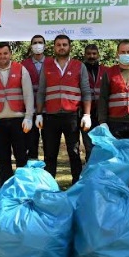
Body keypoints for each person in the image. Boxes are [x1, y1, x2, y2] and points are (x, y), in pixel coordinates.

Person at [35, 34, 91, 184]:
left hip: (72, 116)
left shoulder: (79, 66)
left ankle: (76, 185)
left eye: (64, 44)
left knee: (74, 153)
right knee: (50, 154)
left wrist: (87, 114)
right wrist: (39, 113)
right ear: (54, 47)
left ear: (69, 47)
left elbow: (86, 91)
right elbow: (41, 91)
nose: (61, 47)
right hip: (50, 117)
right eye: (58, 44)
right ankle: (49, 186)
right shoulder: (46, 66)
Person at [0, 42, 34, 185]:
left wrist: (29, 117)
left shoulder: (21, 69)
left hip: (19, 121)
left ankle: (23, 188)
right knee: (3, 159)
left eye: (5, 53)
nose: (2, 56)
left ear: (10, 54)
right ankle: (6, 189)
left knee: (22, 157)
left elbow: (28, 95)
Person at [21, 35, 49, 160]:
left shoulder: (52, 63)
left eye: (40, 42)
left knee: (49, 146)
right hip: (30, 111)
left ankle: (47, 175)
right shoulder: (23, 64)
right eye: (35, 43)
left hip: (48, 110)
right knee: (31, 145)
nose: (38, 45)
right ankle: (32, 174)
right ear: (31, 46)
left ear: (45, 45)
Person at [82, 44, 106, 160]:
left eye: (94, 54)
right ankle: (90, 173)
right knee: (89, 148)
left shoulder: (106, 70)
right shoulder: (80, 69)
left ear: (98, 55)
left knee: (103, 147)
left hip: (102, 115)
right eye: (89, 54)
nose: (91, 56)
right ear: (84, 55)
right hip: (85, 114)